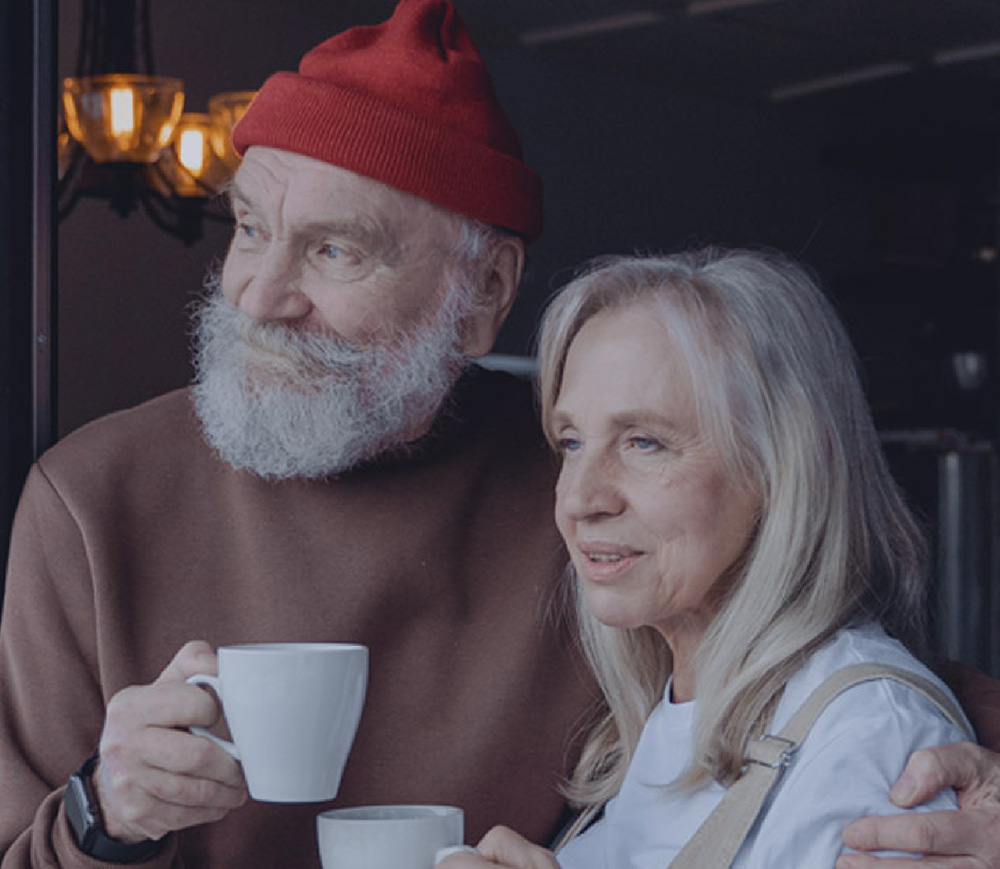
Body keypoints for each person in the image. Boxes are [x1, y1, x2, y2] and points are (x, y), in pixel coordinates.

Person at [0, 1, 997, 867]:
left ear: (480, 296)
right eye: (249, 228)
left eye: (333, 247)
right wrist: (101, 814)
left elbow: (831, 670)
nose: (259, 293)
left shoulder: (580, 487)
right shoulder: (89, 498)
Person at [437, 249, 995, 868]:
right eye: (571, 442)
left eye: (644, 442)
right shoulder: (670, 716)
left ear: (784, 467)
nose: (578, 499)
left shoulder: (869, 737)